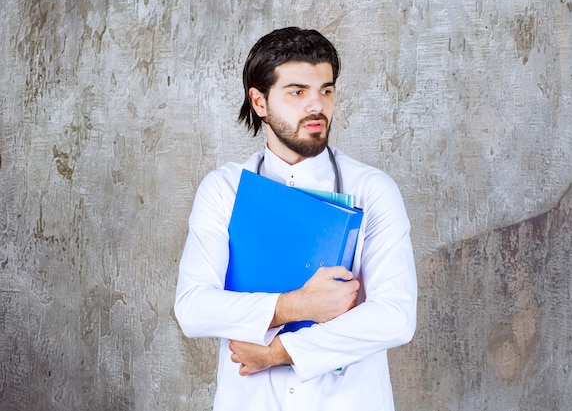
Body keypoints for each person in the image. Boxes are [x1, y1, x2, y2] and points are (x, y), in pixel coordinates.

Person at [174, 27, 418, 411]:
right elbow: (193, 309)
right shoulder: (225, 189)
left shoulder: (373, 189)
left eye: (326, 89)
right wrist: (298, 305)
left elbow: (395, 316)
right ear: (259, 102)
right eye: (297, 92)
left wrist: (278, 351)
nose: (316, 106)